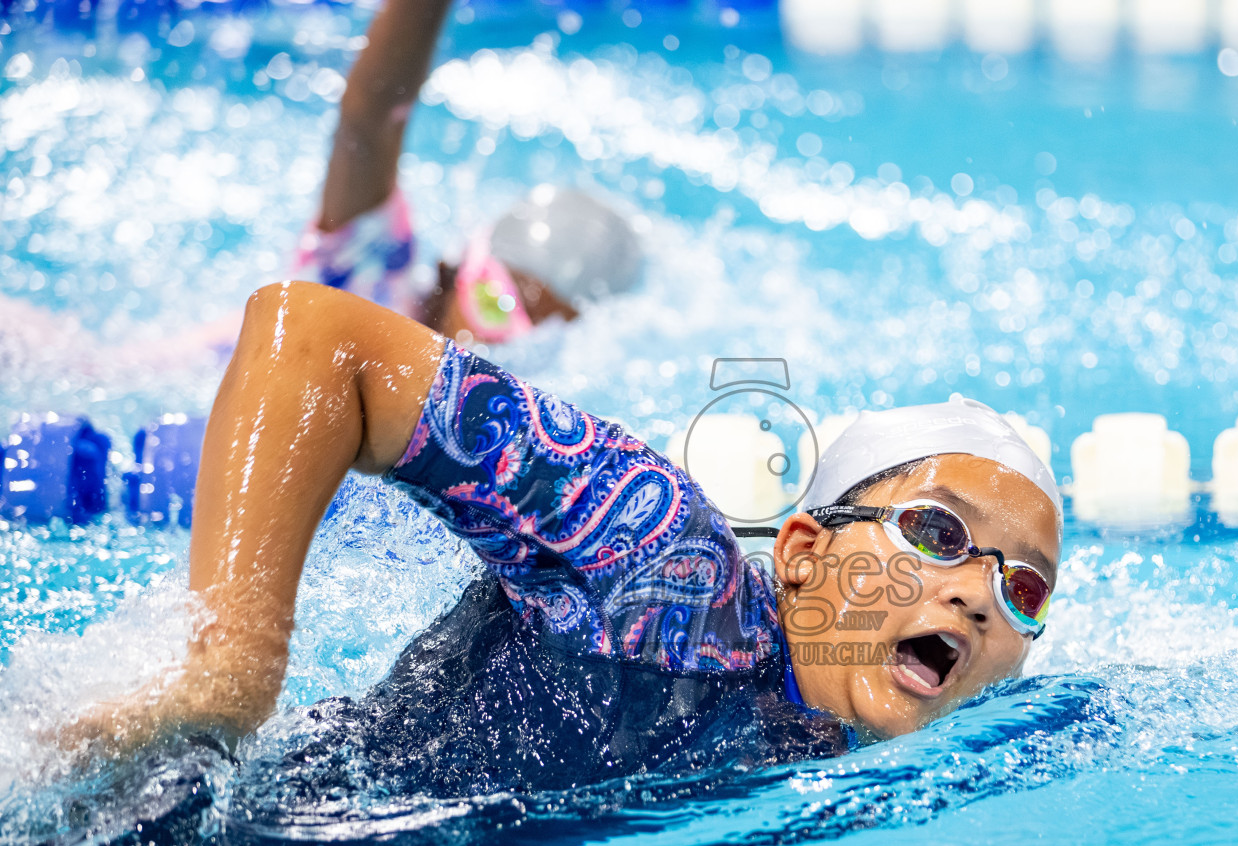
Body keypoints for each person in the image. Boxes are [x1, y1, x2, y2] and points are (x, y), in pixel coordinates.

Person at [56, 282, 1062, 795]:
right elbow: (314, 338)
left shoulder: (830, 750)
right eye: (939, 532)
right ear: (801, 551)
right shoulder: (668, 561)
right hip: (178, 803)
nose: (979, 594)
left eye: (1024, 588)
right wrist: (231, 670)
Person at [294, 0, 642, 344]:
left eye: (540, 341)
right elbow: (371, 117)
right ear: (455, 275)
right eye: (496, 307)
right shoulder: (366, 293)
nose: (498, 348)